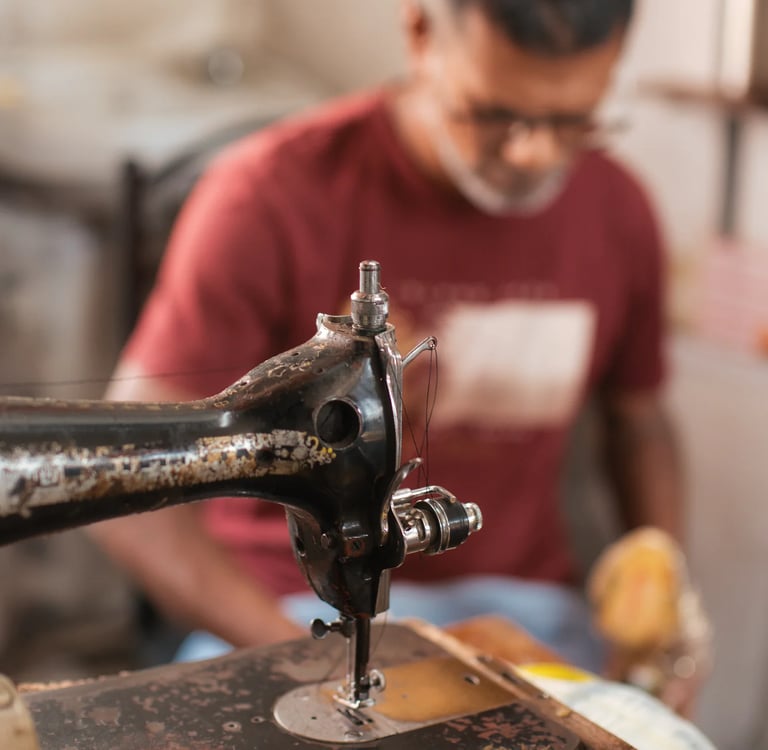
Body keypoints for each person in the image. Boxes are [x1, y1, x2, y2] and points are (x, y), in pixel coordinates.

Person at [92, 0, 692, 706]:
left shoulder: (618, 211)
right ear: (419, 34)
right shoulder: (270, 195)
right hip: (288, 612)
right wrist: (303, 660)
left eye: (573, 120)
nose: (535, 153)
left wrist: (664, 601)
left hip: (527, 622)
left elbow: (640, 421)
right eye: (495, 113)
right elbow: (121, 481)